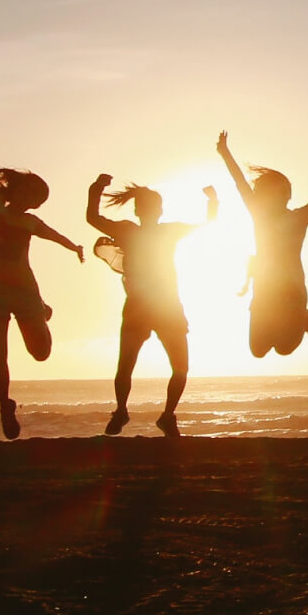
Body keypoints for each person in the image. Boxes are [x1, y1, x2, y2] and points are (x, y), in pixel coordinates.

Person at [0, 110, 84, 438]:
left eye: (36, 199)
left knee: (41, 353)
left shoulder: (30, 222)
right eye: (28, 193)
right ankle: (4, 406)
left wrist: (75, 248)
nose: (31, 201)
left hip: (26, 292)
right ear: (16, 190)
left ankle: (42, 309)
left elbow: (54, 235)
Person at [87, 175, 218, 436]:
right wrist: (96, 188)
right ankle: (127, 411)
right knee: (134, 365)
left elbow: (208, 224)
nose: (148, 211)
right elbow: (93, 219)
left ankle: (163, 416)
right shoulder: (133, 231)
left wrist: (213, 201)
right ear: (148, 210)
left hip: (164, 306)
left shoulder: (154, 231)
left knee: (175, 366)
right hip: (147, 306)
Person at [214, 130, 308, 358]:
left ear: (286, 195)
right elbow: (240, 183)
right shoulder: (259, 215)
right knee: (258, 350)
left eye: (274, 192)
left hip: (291, 292)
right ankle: (299, 320)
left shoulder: (299, 218)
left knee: (284, 348)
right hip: (265, 290)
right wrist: (224, 152)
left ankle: (304, 318)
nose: (264, 197)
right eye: (262, 193)